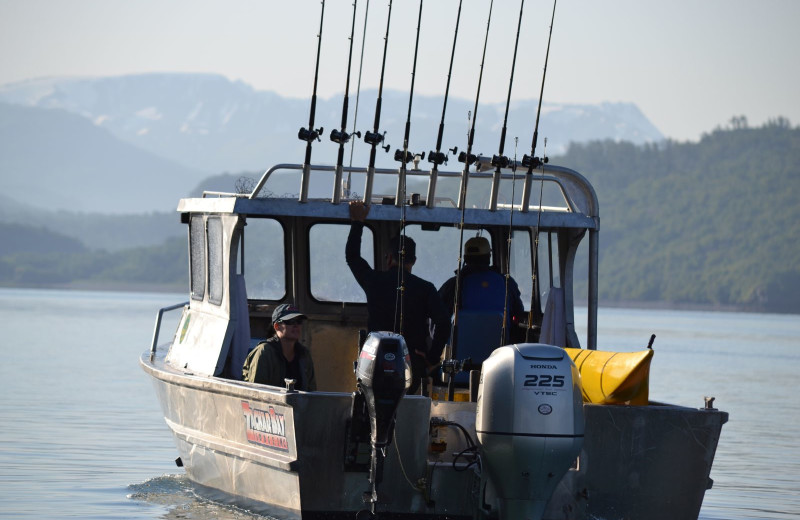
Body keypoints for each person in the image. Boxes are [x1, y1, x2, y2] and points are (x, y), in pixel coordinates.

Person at [346, 201, 450, 394]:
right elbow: (444, 322)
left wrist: (358, 222)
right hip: (412, 362)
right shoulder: (425, 288)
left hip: (375, 360)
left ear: (389, 258)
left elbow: (352, 257)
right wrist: (432, 357)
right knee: (406, 408)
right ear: (414, 261)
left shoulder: (373, 281)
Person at [438, 236, 526, 344]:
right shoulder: (507, 282)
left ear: (465, 258)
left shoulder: (453, 285)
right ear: (489, 256)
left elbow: (439, 317)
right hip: (501, 351)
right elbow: (518, 313)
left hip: (461, 352)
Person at [242, 303, 317, 391]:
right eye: (290, 322)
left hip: (299, 404)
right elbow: (257, 392)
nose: (296, 325)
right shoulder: (264, 352)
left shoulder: (304, 354)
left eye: (299, 321)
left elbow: (311, 391)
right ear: (277, 326)